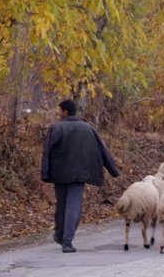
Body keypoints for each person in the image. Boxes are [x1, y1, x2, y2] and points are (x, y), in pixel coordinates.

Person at [41, 99, 119, 253]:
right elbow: (103, 150)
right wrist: (113, 170)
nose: (59, 114)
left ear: (65, 112)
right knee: (73, 205)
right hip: (80, 174)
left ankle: (60, 235)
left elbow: (47, 151)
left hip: (59, 174)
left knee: (61, 205)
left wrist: (45, 173)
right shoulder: (88, 128)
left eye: (60, 111)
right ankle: (66, 241)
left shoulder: (56, 128)